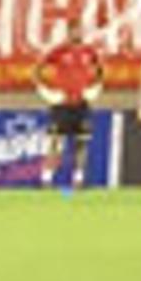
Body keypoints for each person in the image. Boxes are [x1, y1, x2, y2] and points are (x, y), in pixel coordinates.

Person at [32, 23, 103, 193]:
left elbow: (100, 72)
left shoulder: (89, 52)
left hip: (81, 104)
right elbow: (38, 70)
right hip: (62, 105)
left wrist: (95, 88)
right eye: (73, 31)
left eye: (79, 31)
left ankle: (79, 180)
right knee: (56, 143)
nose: (77, 34)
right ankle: (46, 179)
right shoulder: (59, 52)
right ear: (68, 33)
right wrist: (46, 91)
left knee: (81, 143)